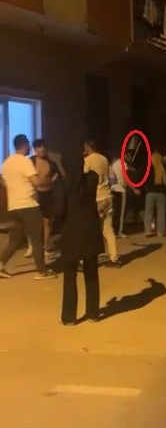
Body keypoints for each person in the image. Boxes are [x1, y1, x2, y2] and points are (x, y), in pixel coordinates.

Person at [0, 134, 57, 280]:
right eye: (29, 145)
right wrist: (50, 181)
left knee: (15, 239)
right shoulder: (25, 162)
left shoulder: (6, 163)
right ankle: (41, 271)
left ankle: (0, 264)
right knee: (37, 238)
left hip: (14, 206)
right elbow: (36, 182)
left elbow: (4, 183)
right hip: (29, 205)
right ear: (25, 145)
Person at [59, 156, 104, 326]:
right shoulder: (92, 179)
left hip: (71, 231)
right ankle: (93, 313)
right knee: (91, 273)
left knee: (69, 276)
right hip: (91, 230)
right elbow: (93, 173)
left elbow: (59, 210)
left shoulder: (63, 184)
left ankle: (69, 317)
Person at [83, 140, 120, 268]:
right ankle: (114, 258)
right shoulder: (104, 159)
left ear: (88, 147)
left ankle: (87, 259)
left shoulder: (88, 160)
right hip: (108, 196)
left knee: (90, 229)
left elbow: (83, 177)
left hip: (96, 198)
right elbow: (112, 178)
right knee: (108, 229)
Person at [29, 138, 60, 257]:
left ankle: (46, 245)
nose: (42, 149)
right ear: (35, 149)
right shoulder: (30, 161)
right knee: (34, 222)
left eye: (44, 146)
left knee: (47, 221)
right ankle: (32, 245)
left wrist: (53, 181)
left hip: (47, 194)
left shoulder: (52, 163)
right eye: (39, 147)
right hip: (34, 194)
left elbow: (57, 178)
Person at [144, 143, 166, 238]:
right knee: (161, 212)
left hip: (150, 193)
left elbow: (145, 181)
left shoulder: (148, 169)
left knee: (148, 212)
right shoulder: (162, 169)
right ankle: (160, 232)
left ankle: (148, 231)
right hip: (161, 193)